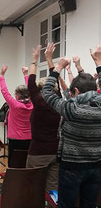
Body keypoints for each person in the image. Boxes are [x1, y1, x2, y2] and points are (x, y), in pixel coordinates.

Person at [42, 46, 101, 208]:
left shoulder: (71, 109)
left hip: (71, 166)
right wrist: (98, 62)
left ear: (75, 92)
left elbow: (47, 92)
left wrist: (57, 67)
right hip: (96, 165)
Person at [26, 43, 61, 194]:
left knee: (33, 186)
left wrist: (35, 60)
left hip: (38, 152)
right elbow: (56, 81)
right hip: (55, 151)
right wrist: (49, 59)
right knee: (52, 188)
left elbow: (31, 82)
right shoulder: (58, 101)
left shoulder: (39, 103)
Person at [0, 64, 33, 167]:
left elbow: (4, 91)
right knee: (26, 163)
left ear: (17, 95)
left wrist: (2, 75)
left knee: (14, 165)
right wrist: (26, 75)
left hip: (15, 140)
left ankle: (14, 182)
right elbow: (31, 90)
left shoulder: (15, 105)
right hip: (29, 139)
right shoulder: (32, 104)